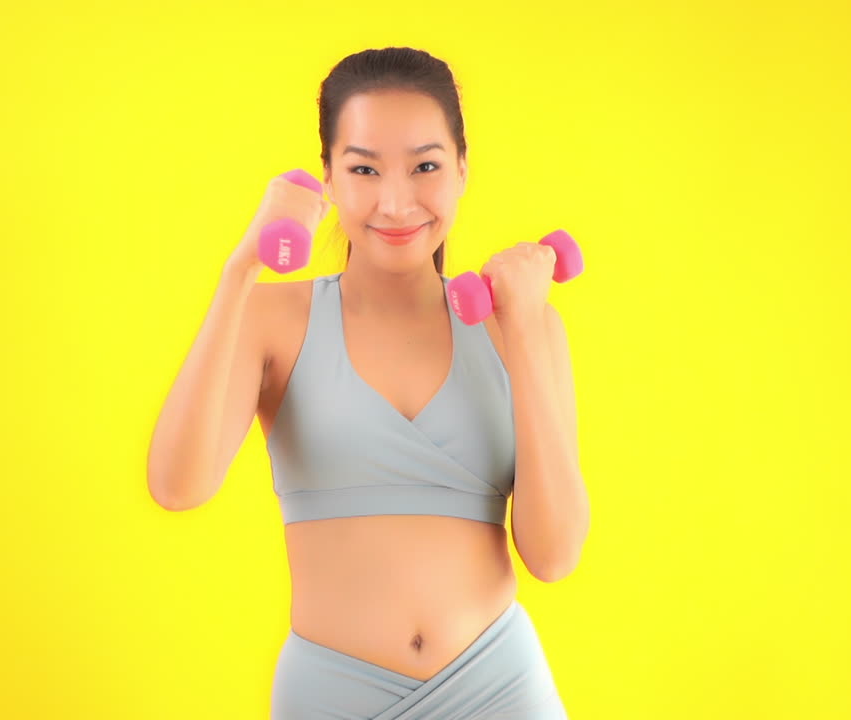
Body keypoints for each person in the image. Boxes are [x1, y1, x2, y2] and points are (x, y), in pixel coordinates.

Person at [149, 46, 588, 719]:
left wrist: (524, 329)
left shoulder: (522, 329)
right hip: (333, 696)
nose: (396, 201)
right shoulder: (273, 319)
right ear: (327, 176)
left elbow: (554, 557)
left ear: (463, 168)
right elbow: (178, 487)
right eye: (364, 169)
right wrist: (240, 270)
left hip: (500, 690)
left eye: (425, 166)